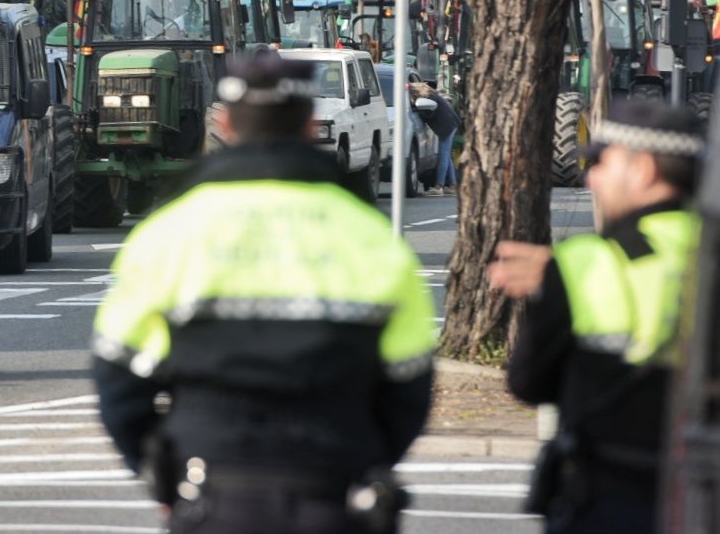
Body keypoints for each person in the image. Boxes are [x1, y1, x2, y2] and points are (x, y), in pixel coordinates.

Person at [92, 52, 435, 534]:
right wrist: (365, 458)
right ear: (309, 125)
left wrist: (162, 477)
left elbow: (118, 379)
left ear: (226, 124)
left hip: (210, 490)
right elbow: (410, 384)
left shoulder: (168, 233)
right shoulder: (370, 237)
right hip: (333, 489)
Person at [489, 101, 703, 534]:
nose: (591, 178)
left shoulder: (586, 264)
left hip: (611, 496)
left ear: (643, 170)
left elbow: (528, 382)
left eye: (602, 163)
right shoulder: (707, 253)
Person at [411, 81, 461, 193]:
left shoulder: (429, 99)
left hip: (447, 126)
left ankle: (439, 186)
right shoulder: (432, 96)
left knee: (443, 156)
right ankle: (453, 185)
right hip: (451, 124)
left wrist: (415, 109)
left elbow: (429, 114)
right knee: (447, 156)